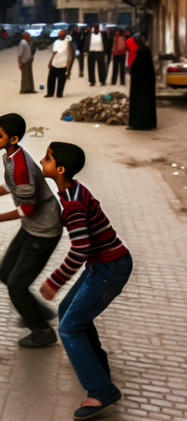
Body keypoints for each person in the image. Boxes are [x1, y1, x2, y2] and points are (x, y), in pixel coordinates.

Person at [38, 142, 132, 420]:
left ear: (61, 169)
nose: (42, 162)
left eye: (47, 159)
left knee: (68, 327)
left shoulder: (74, 203)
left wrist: (55, 281)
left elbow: (80, 249)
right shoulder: (72, 190)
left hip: (109, 268)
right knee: (70, 314)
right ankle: (99, 367)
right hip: (103, 265)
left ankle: (101, 390)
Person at [0, 114, 63, 347]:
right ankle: (40, 312)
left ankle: (42, 331)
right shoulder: (11, 156)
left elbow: (28, 208)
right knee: (6, 273)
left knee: (17, 287)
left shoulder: (21, 164)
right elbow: (11, 184)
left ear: (14, 138)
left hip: (45, 230)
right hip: (31, 228)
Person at [128, 35, 156, 131]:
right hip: (147, 81)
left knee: (138, 103)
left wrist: (133, 73)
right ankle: (149, 124)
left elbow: (137, 67)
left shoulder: (141, 52)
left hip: (139, 81)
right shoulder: (145, 50)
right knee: (147, 102)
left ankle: (137, 123)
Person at [44, 30, 73, 98]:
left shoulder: (68, 43)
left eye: (62, 35)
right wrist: (50, 62)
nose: (61, 36)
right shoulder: (56, 42)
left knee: (61, 80)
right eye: (60, 35)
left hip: (64, 64)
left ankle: (59, 94)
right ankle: (50, 93)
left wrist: (69, 67)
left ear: (65, 35)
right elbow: (54, 53)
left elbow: (71, 55)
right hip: (55, 63)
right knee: (51, 79)